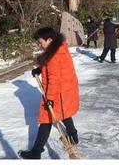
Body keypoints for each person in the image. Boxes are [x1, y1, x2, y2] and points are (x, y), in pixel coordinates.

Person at [18, 27, 79, 159]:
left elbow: (54, 79)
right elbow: (53, 66)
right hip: (66, 88)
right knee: (64, 111)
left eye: (41, 42)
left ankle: (36, 152)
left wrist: (50, 99)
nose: (40, 45)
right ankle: (73, 135)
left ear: (49, 40)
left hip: (58, 91)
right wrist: (40, 68)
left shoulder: (53, 56)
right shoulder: (59, 47)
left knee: (46, 119)